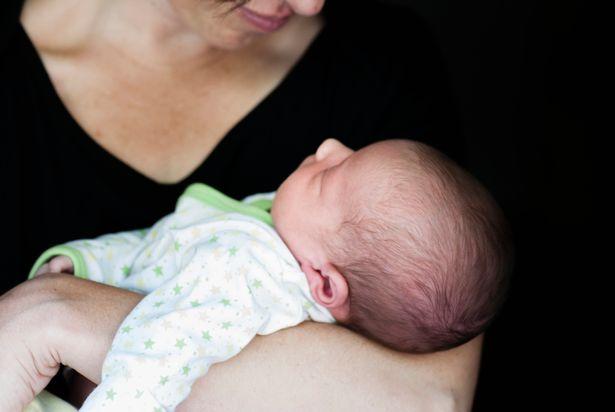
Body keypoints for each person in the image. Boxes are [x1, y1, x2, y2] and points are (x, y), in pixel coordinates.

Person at [1, 0, 484, 410]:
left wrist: (53, 315)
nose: (310, 4)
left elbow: (429, 398)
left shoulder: (380, 62)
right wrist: (84, 267)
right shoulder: (255, 221)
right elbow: (151, 247)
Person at [28, 138, 512, 410]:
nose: (328, 145)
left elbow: (161, 352)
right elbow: (162, 247)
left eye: (328, 176)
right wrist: (87, 264)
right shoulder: (272, 230)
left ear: (325, 284)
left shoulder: (249, 275)